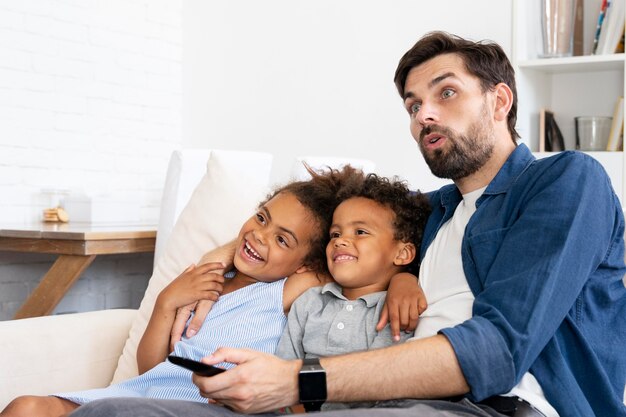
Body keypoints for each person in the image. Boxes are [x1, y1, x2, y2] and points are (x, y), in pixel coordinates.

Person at [67, 31, 626, 417]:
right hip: (382, 402)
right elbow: (327, 214)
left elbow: (496, 351)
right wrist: (212, 268)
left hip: (503, 404)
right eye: (412, 105)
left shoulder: (565, 182)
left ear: (499, 100)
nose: (423, 115)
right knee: (114, 409)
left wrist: (295, 379)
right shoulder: (433, 212)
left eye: (446, 93)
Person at [0, 165, 367, 417]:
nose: (258, 235)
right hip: (138, 394)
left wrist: (399, 280)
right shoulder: (204, 282)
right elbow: (149, 368)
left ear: (307, 263)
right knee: (26, 408)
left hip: (195, 407)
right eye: (261, 217)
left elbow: (347, 261)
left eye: (282, 239)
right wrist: (167, 300)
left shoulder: (287, 290)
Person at [276, 172, 430, 412]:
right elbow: (282, 369)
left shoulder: (394, 309)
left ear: (402, 254)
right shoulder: (310, 302)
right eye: (335, 234)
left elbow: (382, 383)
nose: (340, 241)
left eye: (360, 232)